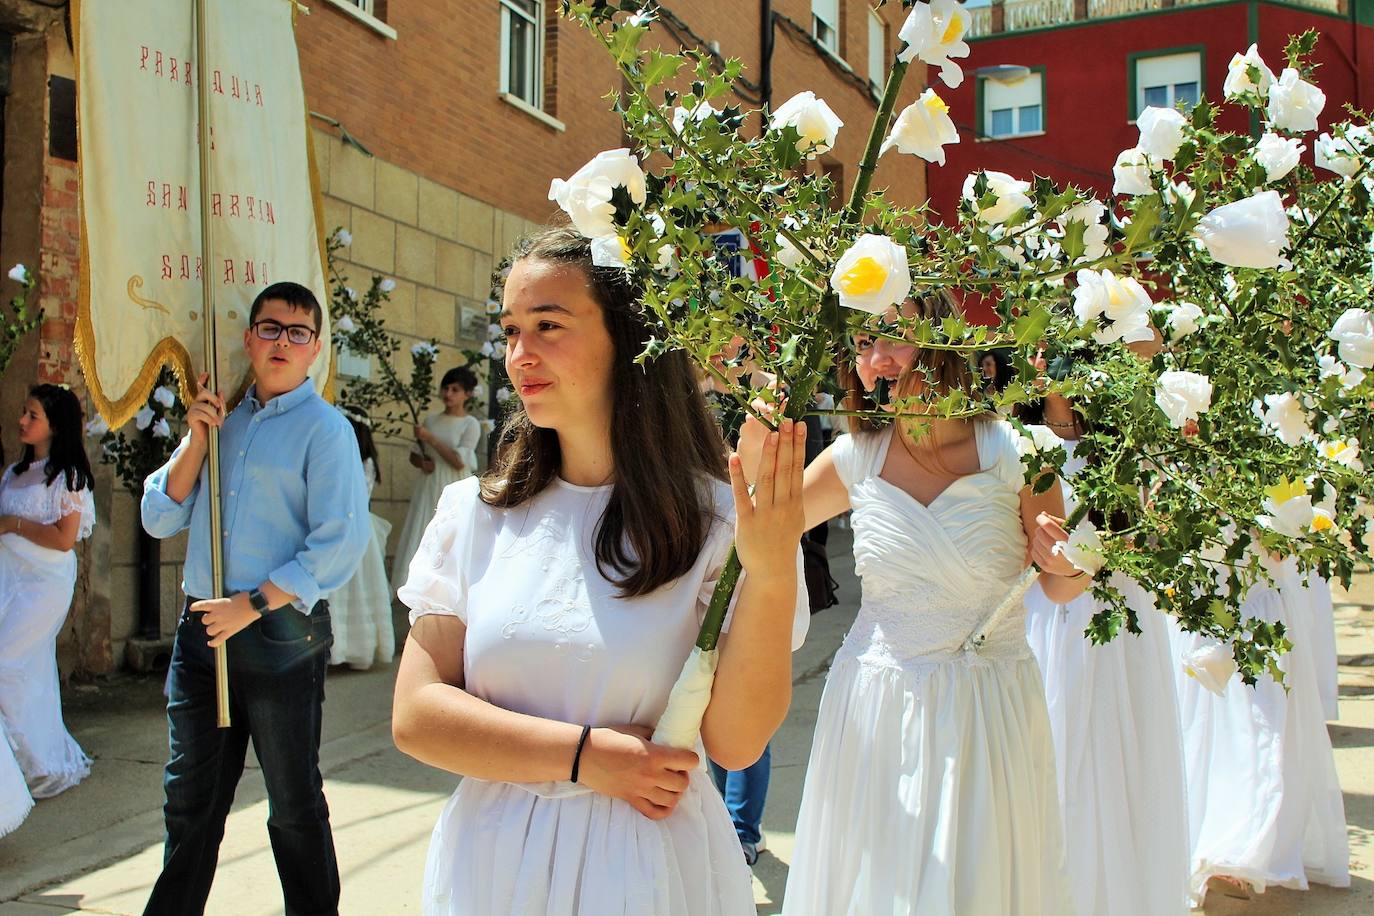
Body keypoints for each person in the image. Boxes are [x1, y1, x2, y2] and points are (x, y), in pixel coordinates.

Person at [391, 226, 810, 916]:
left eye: (548, 325)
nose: (519, 355)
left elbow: (736, 743)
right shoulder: (475, 513)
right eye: (510, 330)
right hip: (492, 868)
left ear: (630, 340)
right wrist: (589, 757)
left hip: (646, 873)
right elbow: (416, 714)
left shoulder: (716, 521)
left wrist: (767, 575)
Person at [746, 292, 1084, 914]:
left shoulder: (1019, 454)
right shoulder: (856, 457)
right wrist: (758, 431)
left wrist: (1063, 561)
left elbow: (1062, 586)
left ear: (944, 340)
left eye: (893, 338)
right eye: (865, 343)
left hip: (990, 709)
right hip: (876, 705)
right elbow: (763, 522)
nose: (877, 358)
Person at [140, 281, 372, 915]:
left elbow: (337, 545)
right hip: (202, 636)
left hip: (280, 638)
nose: (282, 343)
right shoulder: (221, 420)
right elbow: (160, 517)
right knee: (190, 800)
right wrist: (194, 438)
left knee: (292, 803)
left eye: (298, 333)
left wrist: (251, 603)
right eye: (270, 328)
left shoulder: (326, 431)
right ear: (249, 338)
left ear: (315, 349)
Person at [1019, 394, 1192, 916]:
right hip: (1045, 615)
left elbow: (1157, 537)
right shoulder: (1015, 437)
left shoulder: (1131, 433)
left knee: (1116, 753)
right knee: (1055, 749)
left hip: (1121, 614)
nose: (1045, 353)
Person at [1169, 554, 1349, 905]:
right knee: (1199, 726)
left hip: (1256, 606)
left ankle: (1236, 849)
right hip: (1199, 597)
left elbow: (1285, 548)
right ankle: (1203, 839)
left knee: (1255, 725)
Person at [0, 383, 95, 827]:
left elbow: (62, 539)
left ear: (54, 426)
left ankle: (37, 762)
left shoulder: (69, 476)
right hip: (9, 577)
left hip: (44, 583)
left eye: (32, 415)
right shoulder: (13, 473)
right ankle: (28, 764)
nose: (23, 421)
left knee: (8, 662)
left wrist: (15, 524)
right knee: (28, 669)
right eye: (24, 412)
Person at [389, 367, 482, 595]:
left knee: (452, 532)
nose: (448, 393)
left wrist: (430, 438)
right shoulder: (430, 420)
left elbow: (459, 462)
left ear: (467, 394)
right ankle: (413, 588)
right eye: (445, 388)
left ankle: (448, 590)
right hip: (429, 483)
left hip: (454, 484)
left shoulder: (471, 424)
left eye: (455, 389)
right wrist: (422, 462)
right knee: (423, 527)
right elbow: (414, 454)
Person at [329, 411, 395, 670]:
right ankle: (339, 647)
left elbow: (353, 494)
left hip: (352, 526)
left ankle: (357, 647)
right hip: (346, 524)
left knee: (354, 587)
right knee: (341, 591)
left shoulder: (363, 463)